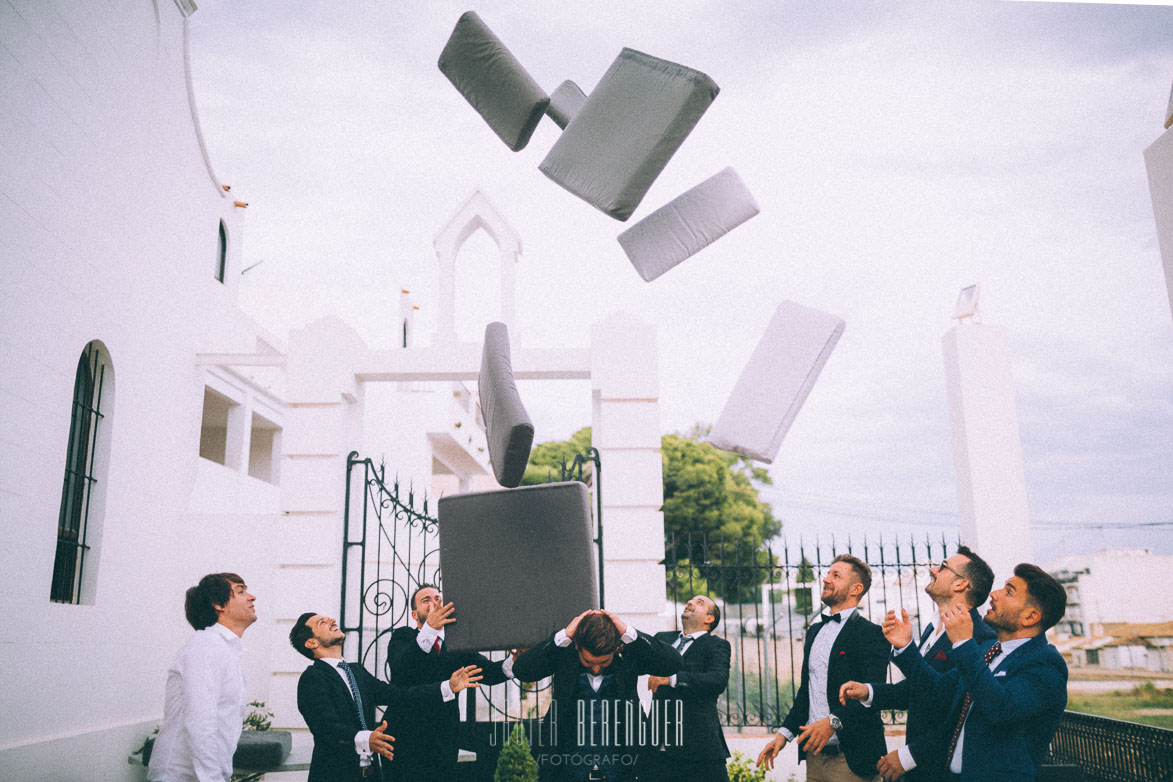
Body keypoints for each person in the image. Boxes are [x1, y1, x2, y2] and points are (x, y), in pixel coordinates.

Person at [880, 563, 1068, 781]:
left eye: (1008, 592)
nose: (994, 594)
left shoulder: (1045, 665)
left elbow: (1001, 710)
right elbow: (939, 691)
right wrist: (905, 647)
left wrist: (962, 643)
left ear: (1030, 617)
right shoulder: (989, 652)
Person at [838, 546, 996, 782]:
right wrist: (868, 691)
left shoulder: (981, 638)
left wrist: (905, 648)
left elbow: (946, 701)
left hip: (942, 771)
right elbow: (917, 689)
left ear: (960, 584)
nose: (933, 570)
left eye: (942, 567)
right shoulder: (933, 629)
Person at [290, 611, 484, 781]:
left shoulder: (357, 671)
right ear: (311, 642)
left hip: (370, 776)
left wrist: (447, 687)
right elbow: (325, 727)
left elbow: (400, 695)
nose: (332, 620)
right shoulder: (312, 678)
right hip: (335, 776)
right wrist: (366, 739)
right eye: (322, 623)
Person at [757, 555, 888, 782]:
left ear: (856, 589)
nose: (826, 579)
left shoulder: (871, 634)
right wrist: (783, 735)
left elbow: (872, 697)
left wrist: (833, 722)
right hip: (814, 757)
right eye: (828, 573)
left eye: (836, 575)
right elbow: (807, 691)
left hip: (851, 759)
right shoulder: (814, 631)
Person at [512, 609, 682, 782]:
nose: (596, 668)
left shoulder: (628, 655)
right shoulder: (565, 653)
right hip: (566, 767)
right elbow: (522, 670)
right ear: (577, 646)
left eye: (603, 662)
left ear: (615, 648)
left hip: (623, 766)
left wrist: (629, 633)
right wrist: (563, 636)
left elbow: (673, 663)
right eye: (588, 661)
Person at [384, 584, 514, 782]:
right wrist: (430, 628)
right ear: (413, 614)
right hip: (405, 738)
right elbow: (402, 670)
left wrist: (515, 661)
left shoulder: (456, 645)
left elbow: (488, 672)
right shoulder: (403, 636)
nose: (434, 603)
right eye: (426, 600)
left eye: (437, 599)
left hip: (444, 740)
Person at [148, 573, 257, 782]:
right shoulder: (205, 646)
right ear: (218, 604)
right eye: (241, 591)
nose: (251, 597)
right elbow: (200, 721)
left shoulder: (224, 649)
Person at [644, 595, 732, 782]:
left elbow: (717, 680)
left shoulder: (716, 645)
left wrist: (672, 679)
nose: (690, 603)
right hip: (658, 748)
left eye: (699, 603)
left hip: (699, 749)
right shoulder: (662, 639)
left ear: (709, 619)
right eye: (690, 601)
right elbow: (637, 657)